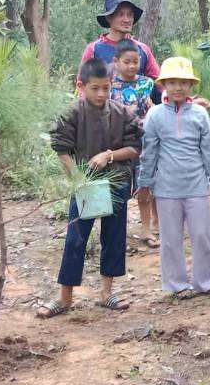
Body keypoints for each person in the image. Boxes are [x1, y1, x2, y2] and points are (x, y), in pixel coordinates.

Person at [39, 59, 141, 318]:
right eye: (95, 88)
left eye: (106, 88)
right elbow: (61, 148)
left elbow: (134, 148)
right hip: (85, 185)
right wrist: (77, 177)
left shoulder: (122, 113)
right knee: (76, 238)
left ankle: (107, 293)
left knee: (114, 236)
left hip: (116, 181)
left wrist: (109, 155)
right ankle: (65, 297)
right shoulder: (72, 113)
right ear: (82, 86)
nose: (101, 94)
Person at [137, 57, 210, 298]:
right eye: (172, 82)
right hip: (166, 188)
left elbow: (207, 148)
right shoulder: (154, 115)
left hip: (196, 184)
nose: (178, 87)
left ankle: (207, 281)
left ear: (191, 85)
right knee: (170, 238)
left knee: (202, 234)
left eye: (183, 82)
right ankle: (177, 285)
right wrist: (144, 184)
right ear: (163, 84)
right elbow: (149, 153)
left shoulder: (199, 114)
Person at [110, 39, 161, 249]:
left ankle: (148, 228)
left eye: (135, 61)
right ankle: (115, 232)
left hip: (144, 142)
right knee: (119, 186)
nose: (132, 66)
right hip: (118, 145)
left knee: (146, 185)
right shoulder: (110, 86)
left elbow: (155, 108)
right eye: (127, 62)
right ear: (116, 62)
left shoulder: (146, 83)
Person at [81, 0, 161, 79]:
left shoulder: (143, 50)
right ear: (109, 18)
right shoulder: (93, 50)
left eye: (130, 15)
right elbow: (82, 84)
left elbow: (159, 83)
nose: (126, 20)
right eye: (120, 14)